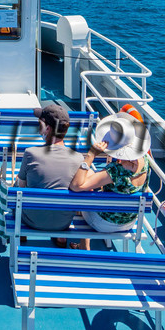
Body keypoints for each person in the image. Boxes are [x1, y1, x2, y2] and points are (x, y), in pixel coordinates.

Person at [70, 110, 151, 247]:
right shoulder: (145, 161)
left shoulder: (115, 170)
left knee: (85, 189)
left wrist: (91, 154)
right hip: (129, 220)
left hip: (105, 223)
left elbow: (76, 186)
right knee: (91, 178)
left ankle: (84, 247)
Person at [15, 102, 87, 241]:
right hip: (62, 224)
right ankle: (61, 239)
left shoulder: (31, 153)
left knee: (16, 190)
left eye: (40, 123)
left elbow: (21, 188)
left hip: (32, 221)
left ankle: (22, 235)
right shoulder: (78, 158)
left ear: (47, 128)